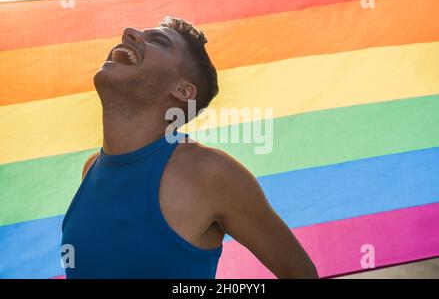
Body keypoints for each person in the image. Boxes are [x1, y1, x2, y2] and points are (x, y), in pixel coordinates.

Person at [61, 16, 318, 279]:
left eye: (158, 41)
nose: (128, 33)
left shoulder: (210, 173)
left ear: (183, 90)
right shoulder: (91, 168)